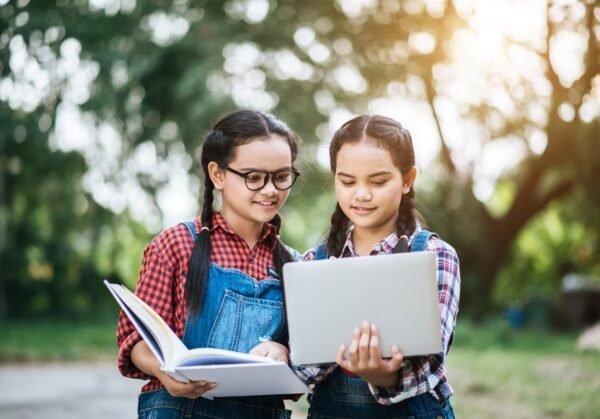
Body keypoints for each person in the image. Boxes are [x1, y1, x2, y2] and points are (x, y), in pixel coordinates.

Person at [116, 110, 302, 419]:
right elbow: (134, 340)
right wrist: (163, 371)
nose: (270, 190)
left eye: (281, 177)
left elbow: (304, 365)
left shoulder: (295, 264)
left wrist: (285, 354)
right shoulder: (176, 245)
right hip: (179, 408)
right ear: (217, 174)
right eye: (254, 178)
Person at [297, 115, 460, 418]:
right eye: (347, 181)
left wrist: (383, 375)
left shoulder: (435, 255)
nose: (361, 194)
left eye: (378, 181)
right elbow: (302, 364)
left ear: (408, 179)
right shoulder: (312, 265)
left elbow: (429, 362)